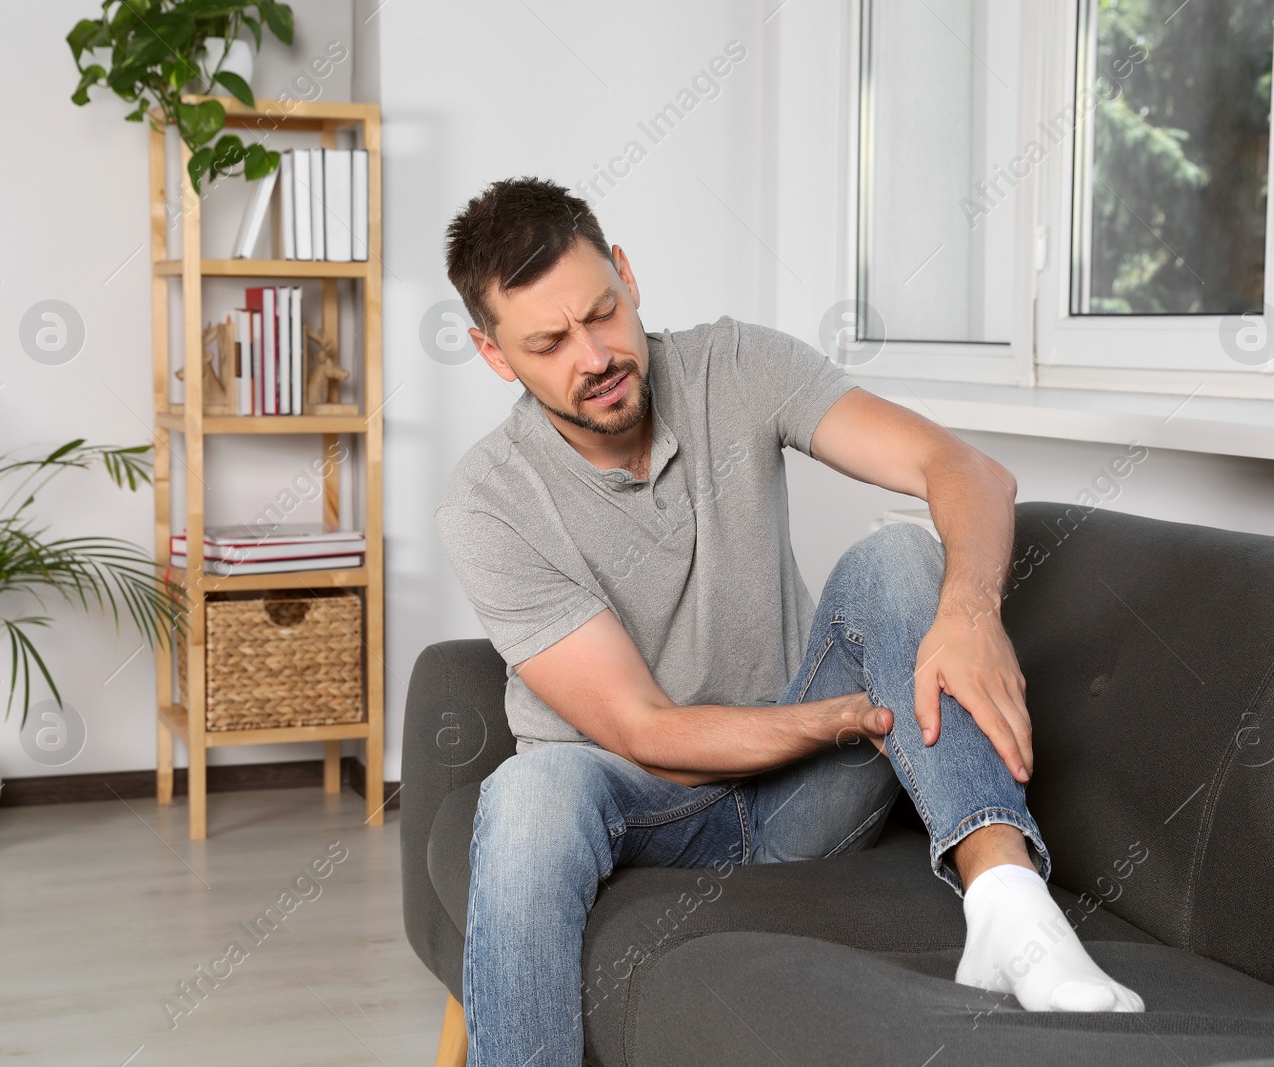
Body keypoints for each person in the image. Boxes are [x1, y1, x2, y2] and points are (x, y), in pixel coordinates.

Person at [435, 176, 1143, 1066]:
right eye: (548, 343)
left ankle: (1011, 909)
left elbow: (965, 471)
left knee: (898, 561)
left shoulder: (734, 365)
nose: (595, 356)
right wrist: (847, 717)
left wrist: (968, 614)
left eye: (602, 313)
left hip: (798, 800)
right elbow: (646, 734)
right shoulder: (488, 501)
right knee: (526, 794)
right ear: (496, 355)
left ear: (625, 273)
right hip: (634, 806)